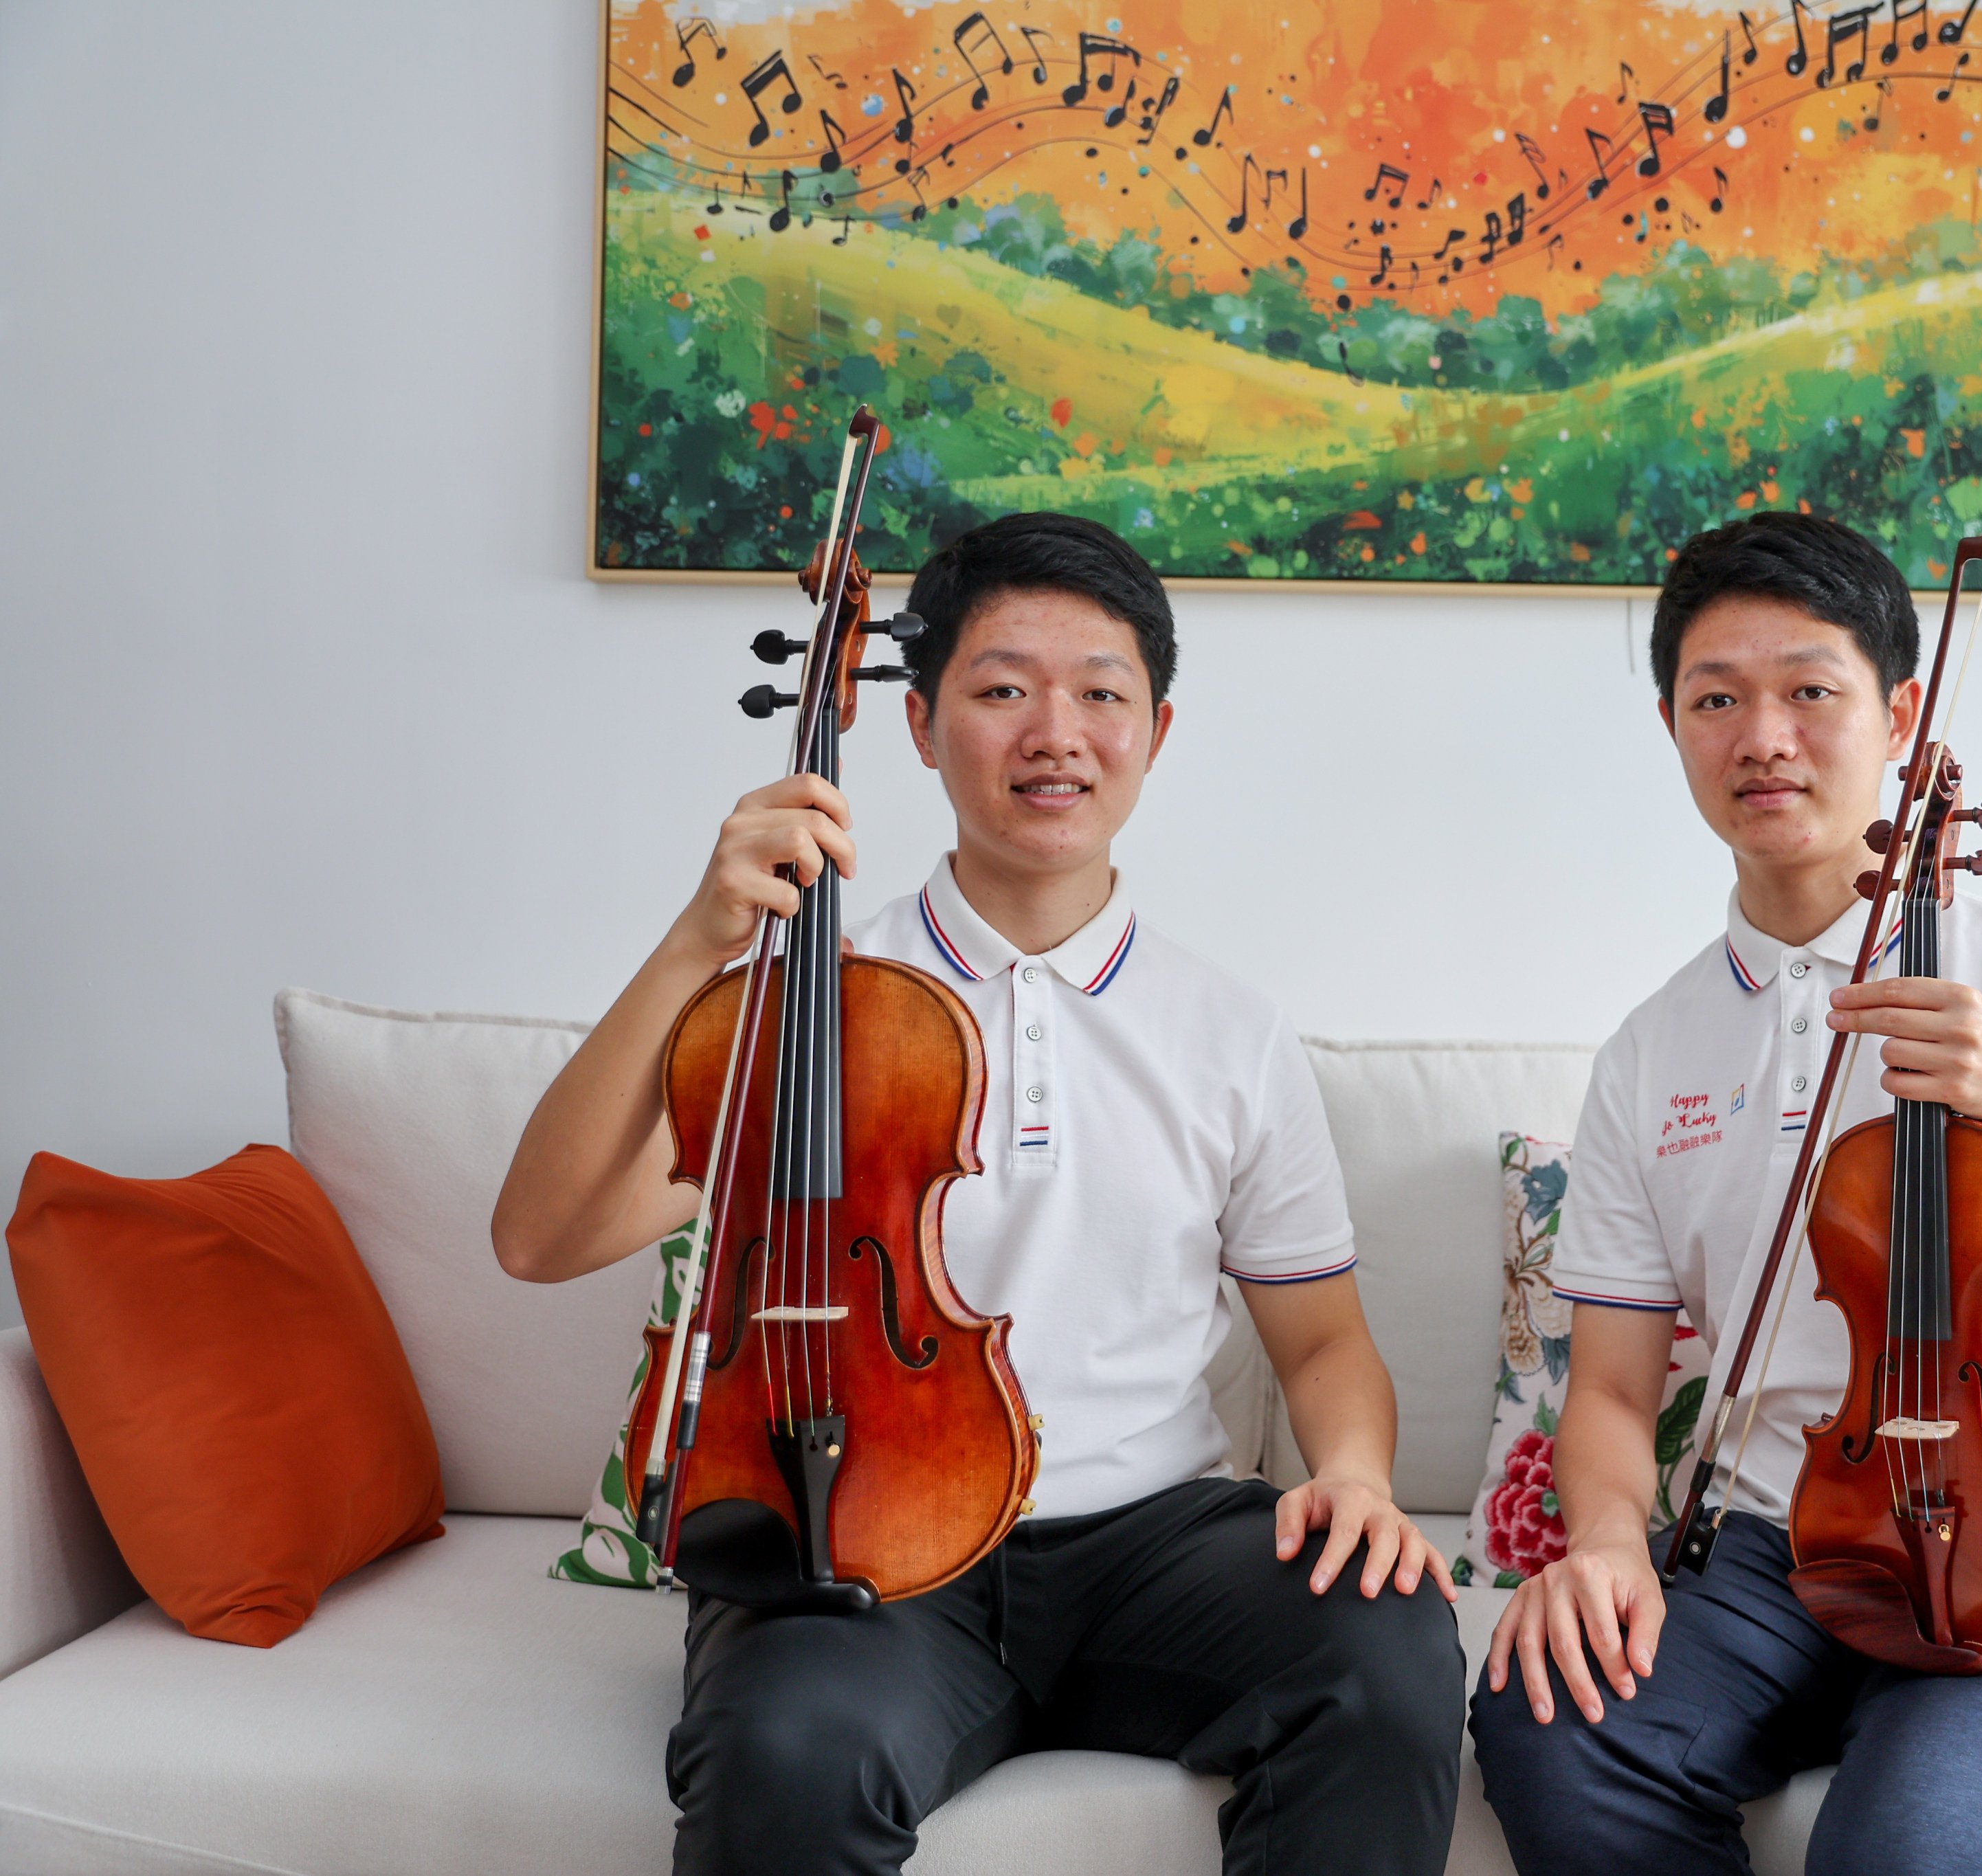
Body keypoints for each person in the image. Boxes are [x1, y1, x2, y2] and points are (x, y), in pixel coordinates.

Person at [492, 513, 1464, 1876]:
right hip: (866, 1538)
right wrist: (699, 942)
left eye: (1100, 694)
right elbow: (540, 1237)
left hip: (1158, 1547)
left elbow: (1320, 1341)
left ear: (1157, 733)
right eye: (1002, 689)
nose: (1053, 732)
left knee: (1390, 1649)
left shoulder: (1228, 1029)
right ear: (918, 724)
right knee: (782, 1756)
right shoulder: (808, 1004)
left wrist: (1355, 1476)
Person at [1468, 513, 1982, 1876]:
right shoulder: (1653, 1048)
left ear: (1900, 712)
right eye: (1717, 699)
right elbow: (1614, 1391)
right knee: (1549, 1720)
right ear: (1672, 727)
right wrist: (1599, 1546)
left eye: (1809, 690)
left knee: (1913, 1843)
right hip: (1780, 1545)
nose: (1761, 736)